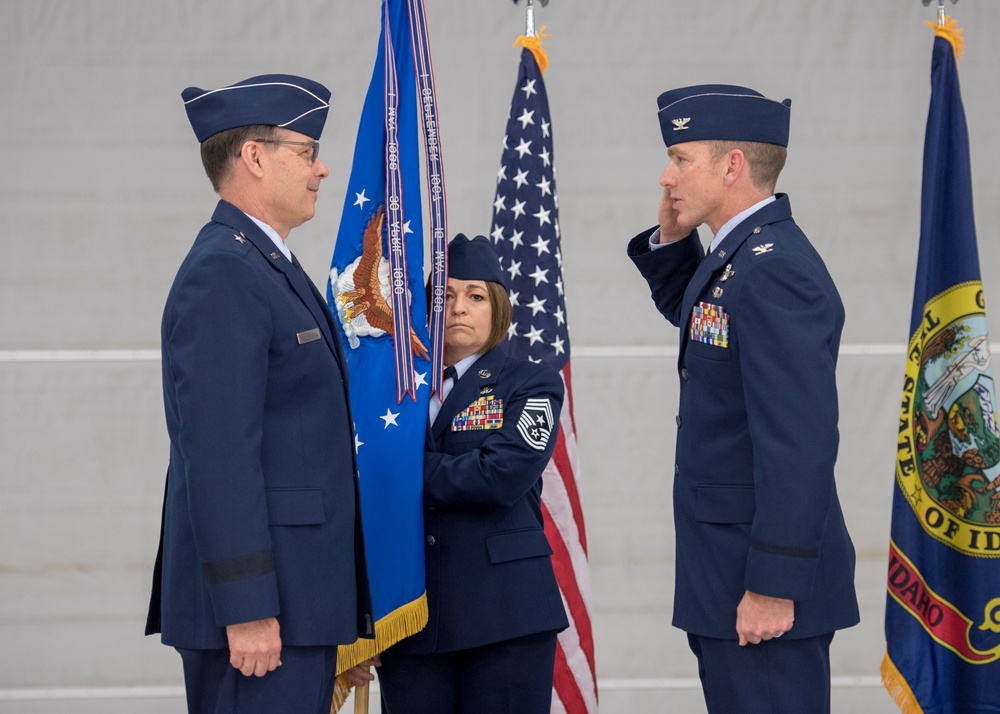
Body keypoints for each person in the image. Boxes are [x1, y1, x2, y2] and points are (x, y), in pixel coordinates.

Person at [626, 85, 860, 713]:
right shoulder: (741, 257)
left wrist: (773, 586)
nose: (666, 174)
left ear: (731, 167)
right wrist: (674, 245)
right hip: (727, 571)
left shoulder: (775, 268)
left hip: (760, 586)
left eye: (681, 158)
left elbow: (798, 442)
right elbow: (709, 332)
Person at [145, 74, 373, 714]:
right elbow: (218, 454)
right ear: (253, 157)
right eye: (306, 152)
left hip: (299, 603)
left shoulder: (265, 263)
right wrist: (247, 609)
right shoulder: (225, 271)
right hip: (260, 614)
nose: (322, 169)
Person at [372, 234, 569, 714]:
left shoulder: (533, 382)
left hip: (505, 618)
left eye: (476, 296)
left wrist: (393, 470)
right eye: (445, 295)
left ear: (497, 309)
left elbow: (498, 475)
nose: (459, 307)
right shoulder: (394, 391)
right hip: (411, 620)